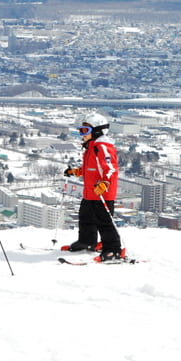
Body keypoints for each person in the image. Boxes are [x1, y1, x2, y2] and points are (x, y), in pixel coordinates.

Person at [61, 112, 124, 261]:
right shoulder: (91, 146)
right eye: (81, 130)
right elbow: (90, 169)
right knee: (85, 217)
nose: (82, 134)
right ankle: (87, 241)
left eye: (85, 131)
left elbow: (110, 168)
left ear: (97, 131)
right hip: (90, 192)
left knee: (104, 221)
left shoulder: (102, 147)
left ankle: (113, 249)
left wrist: (105, 183)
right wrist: (76, 171)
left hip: (102, 193)